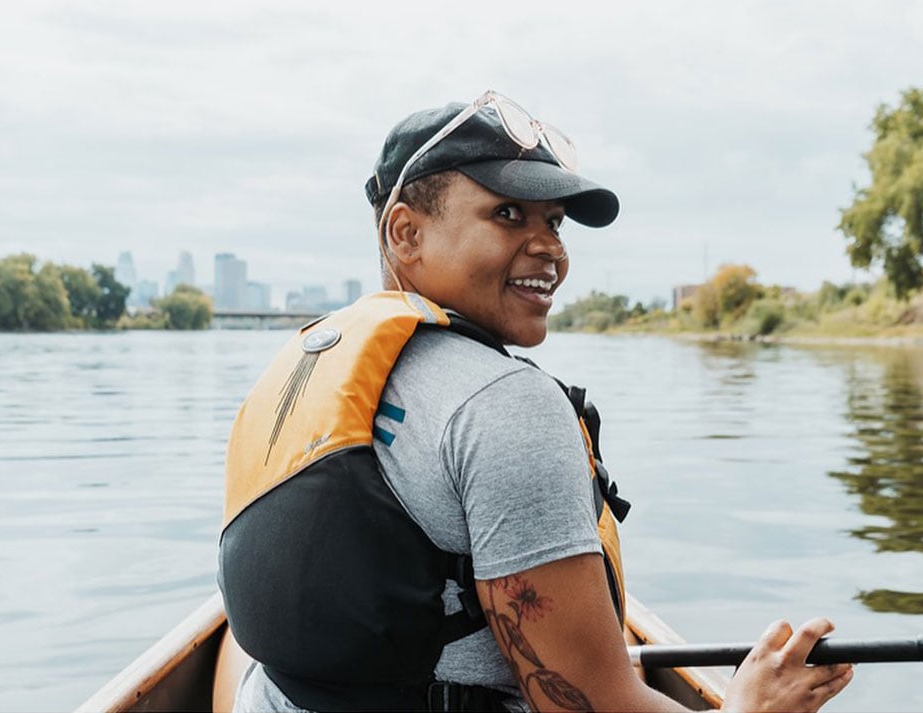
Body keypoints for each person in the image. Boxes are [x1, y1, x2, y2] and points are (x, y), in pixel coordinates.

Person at [218, 91, 854, 712]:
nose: (550, 247)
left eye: (553, 222)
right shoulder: (504, 405)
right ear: (406, 233)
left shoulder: (305, 362)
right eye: (508, 215)